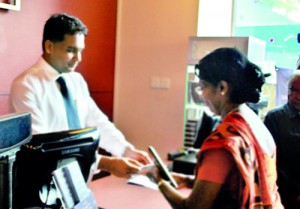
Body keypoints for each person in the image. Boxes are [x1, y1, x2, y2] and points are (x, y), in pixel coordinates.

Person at [9, 13, 151, 178]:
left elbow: (97, 121)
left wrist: (126, 150)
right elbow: (44, 147)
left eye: (81, 51)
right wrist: (105, 163)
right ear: (49, 46)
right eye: (71, 50)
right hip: (45, 182)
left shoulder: (76, 80)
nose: (79, 58)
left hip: (81, 177)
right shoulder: (25, 85)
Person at [148, 47, 283, 209]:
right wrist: (189, 181)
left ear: (222, 88)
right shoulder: (253, 121)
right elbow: (235, 184)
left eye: (203, 87)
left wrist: (159, 181)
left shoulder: (224, 142)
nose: (202, 95)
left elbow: (192, 208)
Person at [264, 71, 300, 209]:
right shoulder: (275, 117)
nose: (297, 96)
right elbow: (271, 160)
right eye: (294, 90)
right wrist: (296, 192)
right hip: (283, 194)